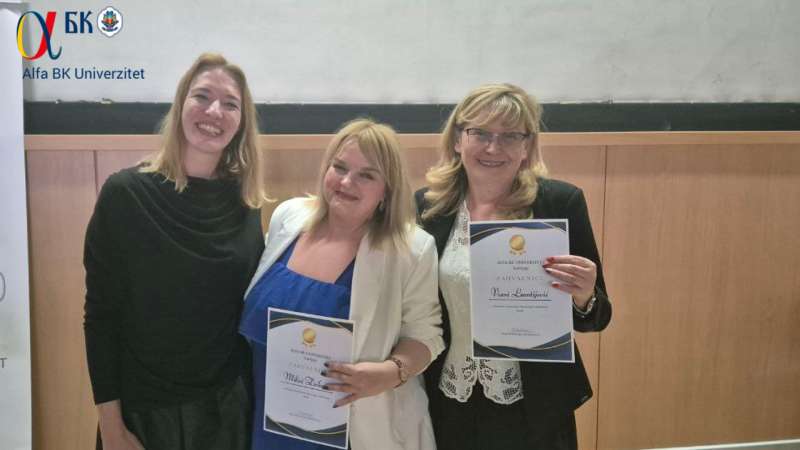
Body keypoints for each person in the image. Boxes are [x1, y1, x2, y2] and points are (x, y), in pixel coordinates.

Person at [83, 53, 268, 450]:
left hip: (227, 410)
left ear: (241, 121)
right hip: (144, 415)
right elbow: (100, 317)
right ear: (181, 103)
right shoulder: (124, 194)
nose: (214, 111)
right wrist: (111, 427)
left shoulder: (246, 205)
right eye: (202, 96)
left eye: (230, 104)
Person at [416, 83, 612, 450]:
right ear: (458, 139)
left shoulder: (560, 202)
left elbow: (596, 316)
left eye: (510, 136)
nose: (494, 147)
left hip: (534, 403)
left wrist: (584, 295)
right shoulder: (429, 208)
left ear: (527, 146)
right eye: (480, 133)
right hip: (449, 394)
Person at [239, 118, 444, 450]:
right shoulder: (287, 218)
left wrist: (390, 373)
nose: (347, 182)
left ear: (386, 190)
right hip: (267, 424)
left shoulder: (412, 250)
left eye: (367, 175)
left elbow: (425, 335)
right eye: (340, 167)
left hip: (356, 432)